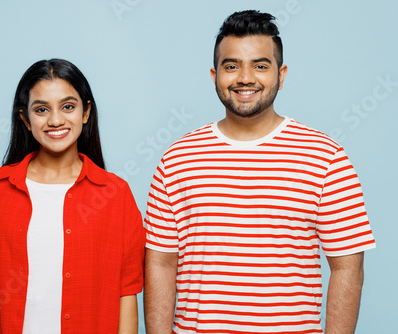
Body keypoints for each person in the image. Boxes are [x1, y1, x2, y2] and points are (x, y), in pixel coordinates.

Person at [144, 10, 375, 334]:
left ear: (281, 74)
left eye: (260, 65)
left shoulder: (326, 156)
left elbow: (348, 267)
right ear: (215, 75)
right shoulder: (177, 158)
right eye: (232, 65)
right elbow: (160, 262)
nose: (245, 78)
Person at [0, 59, 145, 334]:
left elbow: (126, 293)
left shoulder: (114, 195)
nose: (56, 120)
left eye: (68, 106)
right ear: (25, 119)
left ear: (85, 112)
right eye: (41, 109)